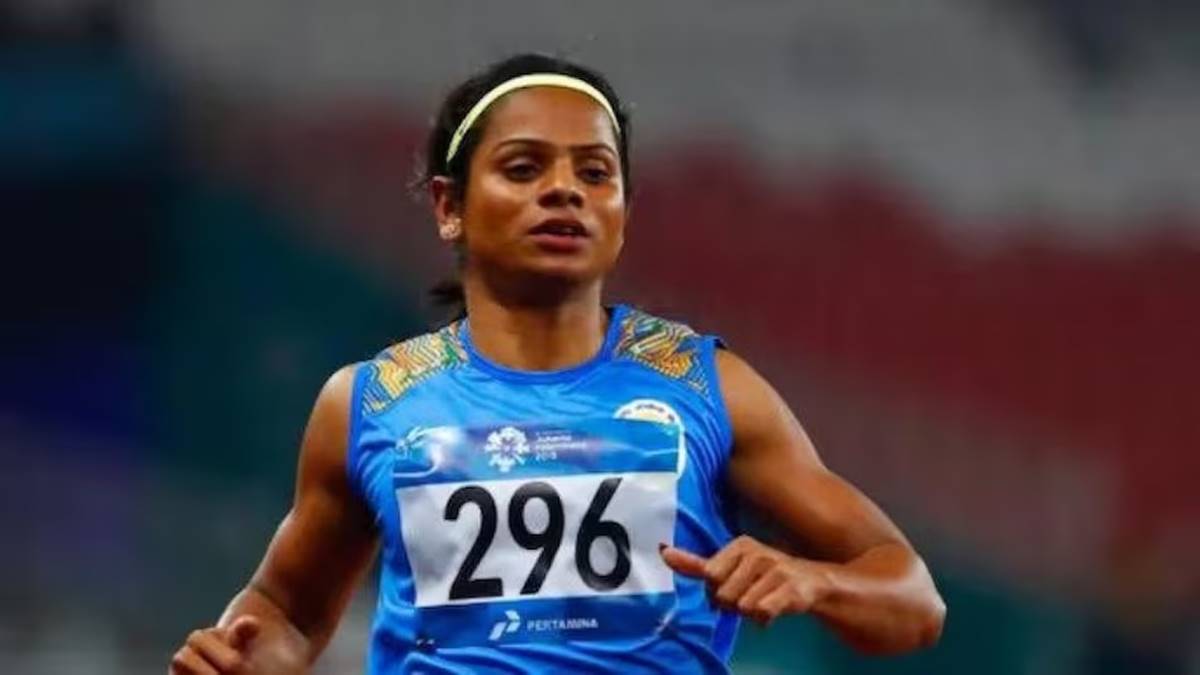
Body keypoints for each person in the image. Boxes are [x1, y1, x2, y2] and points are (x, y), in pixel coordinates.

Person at [169, 53, 945, 675]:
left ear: (623, 213)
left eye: (595, 173)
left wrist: (815, 579)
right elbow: (288, 610)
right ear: (449, 206)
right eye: (523, 168)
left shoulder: (710, 389)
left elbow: (913, 600)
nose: (565, 191)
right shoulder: (368, 403)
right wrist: (245, 654)